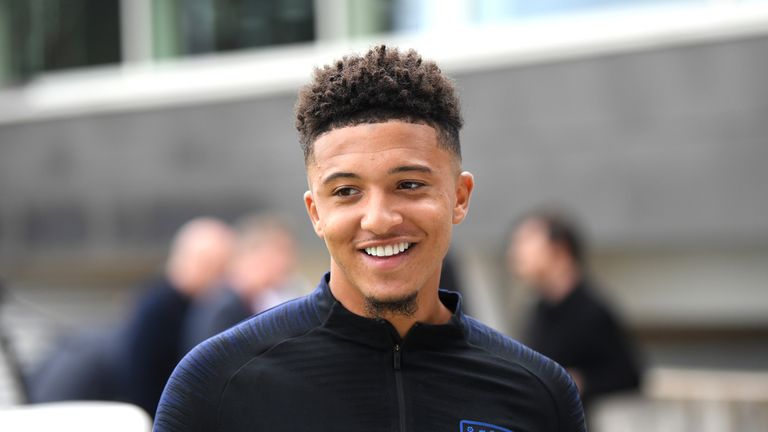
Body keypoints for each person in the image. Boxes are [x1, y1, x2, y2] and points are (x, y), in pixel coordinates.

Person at [155, 45, 585, 432]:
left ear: (459, 196)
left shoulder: (539, 393)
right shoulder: (216, 384)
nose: (378, 220)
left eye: (410, 185)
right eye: (346, 192)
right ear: (316, 213)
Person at [508, 208, 642, 408]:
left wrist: (578, 381)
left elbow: (628, 375)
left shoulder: (591, 312)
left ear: (559, 249)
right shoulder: (539, 309)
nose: (515, 252)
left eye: (526, 241)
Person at [118, 217, 234, 416]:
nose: (220, 278)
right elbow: (142, 380)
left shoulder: (201, 304)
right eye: (215, 267)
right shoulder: (157, 307)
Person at [181, 213, 305, 353]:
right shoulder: (223, 306)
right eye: (282, 251)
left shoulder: (252, 300)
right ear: (255, 252)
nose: (288, 262)